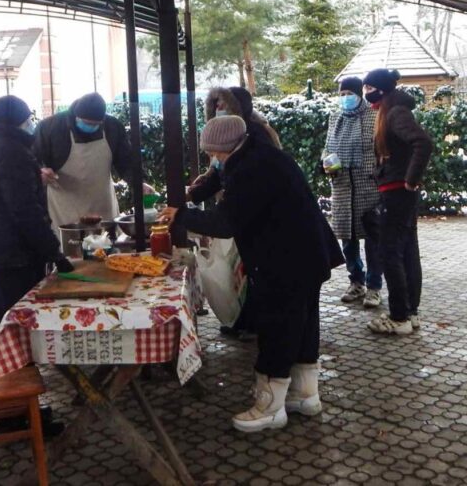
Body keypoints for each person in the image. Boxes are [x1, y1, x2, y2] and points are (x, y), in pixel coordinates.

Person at [161, 116, 343, 433]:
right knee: (301, 324)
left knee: (278, 327)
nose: (213, 160)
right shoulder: (256, 153)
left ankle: (270, 407)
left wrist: (182, 216)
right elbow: (217, 183)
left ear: (228, 148)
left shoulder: (251, 168)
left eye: (215, 154)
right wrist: (193, 196)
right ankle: (304, 394)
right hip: (307, 254)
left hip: (287, 259)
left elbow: (226, 222)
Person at [0, 95, 74, 343]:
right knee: (14, 311)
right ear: (20, 121)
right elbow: (25, 210)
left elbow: (7, 193)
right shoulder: (12, 151)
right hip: (13, 252)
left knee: (3, 304)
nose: (31, 125)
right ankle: (14, 367)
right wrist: (53, 252)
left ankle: (5, 361)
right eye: (29, 120)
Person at [188, 86, 281, 340]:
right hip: (241, 212)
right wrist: (193, 194)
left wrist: (184, 216)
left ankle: (254, 323)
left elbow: (236, 189)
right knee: (238, 272)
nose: (219, 111)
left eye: (224, 106)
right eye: (216, 106)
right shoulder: (225, 139)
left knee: (251, 271)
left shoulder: (256, 138)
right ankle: (241, 319)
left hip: (257, 220)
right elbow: (218, 175)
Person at [361, 69, 434, 336]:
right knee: (406, 251)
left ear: (381, 88)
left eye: (369, 87)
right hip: (398, 192)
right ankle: (409, 313)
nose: (366, 93)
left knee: (390, 252)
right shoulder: (390, 111)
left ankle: (399, 316)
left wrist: (410, 179)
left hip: (398, 193)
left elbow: (422, 143)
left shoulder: (395, 113)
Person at [34, 92, 152, 229]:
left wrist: (138, 183)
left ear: (102, 121)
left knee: (107, 244)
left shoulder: (112, 127)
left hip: (102, 204)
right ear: (76, 116)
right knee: (70, 245)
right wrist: (41, 171)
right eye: (85, 123)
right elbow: (33, 159)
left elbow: (126, 161)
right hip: (63, 208)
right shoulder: (50, 128)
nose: (90, 127)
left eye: (95, 124)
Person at [324, 76, 382, 308]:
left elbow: (381, 149)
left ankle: (374, 286)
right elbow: (328, 147)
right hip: (342, 187)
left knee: (373, 240)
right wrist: (327, 165)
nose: (345, 98)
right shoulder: (335, 117)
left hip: (368, 187)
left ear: (360, 93)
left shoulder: (374, 116)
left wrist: (376, 172)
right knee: (348, 240)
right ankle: (355, 281)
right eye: (341, 94)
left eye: (349, 93)